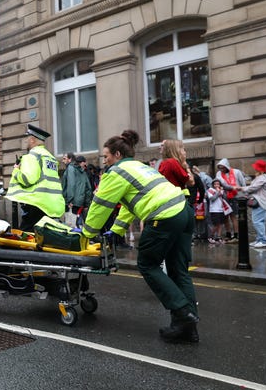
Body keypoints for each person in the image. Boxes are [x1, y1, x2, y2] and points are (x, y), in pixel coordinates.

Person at [83, 130, 199, 343]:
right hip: (183, 211)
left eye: (106, 156)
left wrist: (86, 234)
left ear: (117, 154)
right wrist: (116, 230)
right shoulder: (140, 167)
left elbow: (101, 206)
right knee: (178, 270)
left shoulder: (116, 172)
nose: (105, 160)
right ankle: (188, 329)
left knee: (147, 264)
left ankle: (183, 313)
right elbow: (130, 207)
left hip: (164, 216)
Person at [6, 124, 65, 232]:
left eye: (27, 138)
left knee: (25, 237)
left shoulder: (32, 156)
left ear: (32, 140)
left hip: (37, 205)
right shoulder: (51, 158)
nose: (26, 141)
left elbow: (27, 179)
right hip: (52, 205)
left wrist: (16, 171)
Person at [238, 160, 266, 249]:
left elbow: (253, 188)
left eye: (256, 168)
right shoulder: (264, 177)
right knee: (260, 221)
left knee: (258, 222)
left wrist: (241, 188)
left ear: (260, 169)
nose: (254, 169)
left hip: (262, 202)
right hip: (262, 201)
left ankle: (263, 241)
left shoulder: (263, 177)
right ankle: (259, 239)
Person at [215, 158, 246, 243]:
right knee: (225, 217)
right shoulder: (219, 173)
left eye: (223, 167)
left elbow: (243, 183)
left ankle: (236, 235)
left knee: (233, 216)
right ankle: (228, 234)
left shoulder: (237, 172)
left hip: (235, 196)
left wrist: (244, 193)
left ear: (227, 166)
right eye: (220, 168)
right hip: (225, 197)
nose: (221, 169)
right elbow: (219, 184)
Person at [206, 179, 227, 244]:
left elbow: (225, 198)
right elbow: (212, 199)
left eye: (218, 184)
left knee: (221, 224)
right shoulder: (210, 190)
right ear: (213, 185)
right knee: (216, 224)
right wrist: (218, 192)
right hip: (214, 210)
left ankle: (219, 237)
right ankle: (211, 237)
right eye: (215, 184)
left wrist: (222, 192)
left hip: (221, 209)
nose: (216, 185)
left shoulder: (221, 190)